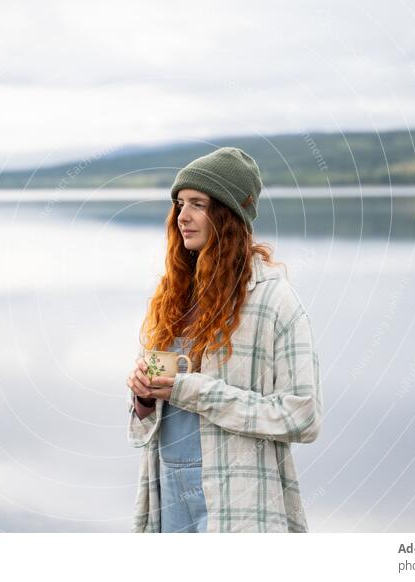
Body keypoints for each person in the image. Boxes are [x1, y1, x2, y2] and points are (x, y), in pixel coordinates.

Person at [125, 146, 323, 533]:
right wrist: (144, 397)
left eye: (197, 204)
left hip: (239, 503)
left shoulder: (274, 301)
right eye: (180, 204)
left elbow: (304, 416)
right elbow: (147, 421)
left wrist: (195, 391)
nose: (182, 217)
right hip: (167, 496)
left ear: (227, 215)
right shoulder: (172, 298)